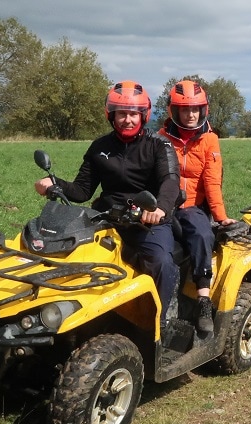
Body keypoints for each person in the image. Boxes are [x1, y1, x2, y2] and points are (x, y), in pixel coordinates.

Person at [34, 81, 180, 324]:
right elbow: (82, 190)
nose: (127, 120)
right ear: (111, 115)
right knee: (71, 255)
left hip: (148, 220)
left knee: (161, 260)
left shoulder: (159, 145)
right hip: (107, 218)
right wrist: (53, 184)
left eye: (133, 114)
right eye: (122, 114)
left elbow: (170, 180)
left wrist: (160, 208)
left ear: (143, 116)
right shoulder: (100, 147)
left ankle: (163, 319)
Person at [158, 79, 236, 333]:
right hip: (165, 205)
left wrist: (220, 216)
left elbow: (212, 181)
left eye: (195, 109)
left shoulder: (209, 140)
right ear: (175, 111)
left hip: (193, 206)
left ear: (203, 110)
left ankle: (203, 300)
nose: (190, 115)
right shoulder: (160, 138)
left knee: (202, 234)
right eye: (185, 109)